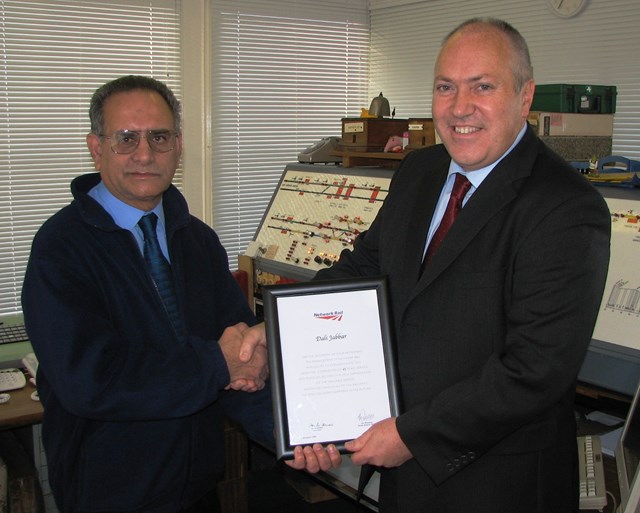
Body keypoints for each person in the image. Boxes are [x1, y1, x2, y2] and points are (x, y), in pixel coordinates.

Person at [248, 17, 612, 513]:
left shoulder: (565, 207)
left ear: (525, 97)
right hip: (407, 476)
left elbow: (534, 370)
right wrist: (280, 330)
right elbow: (365, 266)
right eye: (446, 87)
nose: (460, 107)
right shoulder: (420, 172)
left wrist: (411, 433)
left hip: (499, 482)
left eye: (482, 86)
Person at [21, 75, 273, 513]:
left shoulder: (198, 241)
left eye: (158, 137)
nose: (144, 154)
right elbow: (90, 381)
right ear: (96, 147)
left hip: (196, 486)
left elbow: (242, 357)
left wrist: (295, 436)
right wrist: (217, 362)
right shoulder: (60, 248)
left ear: (178, 145)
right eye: (126, 138)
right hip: (111, 495)